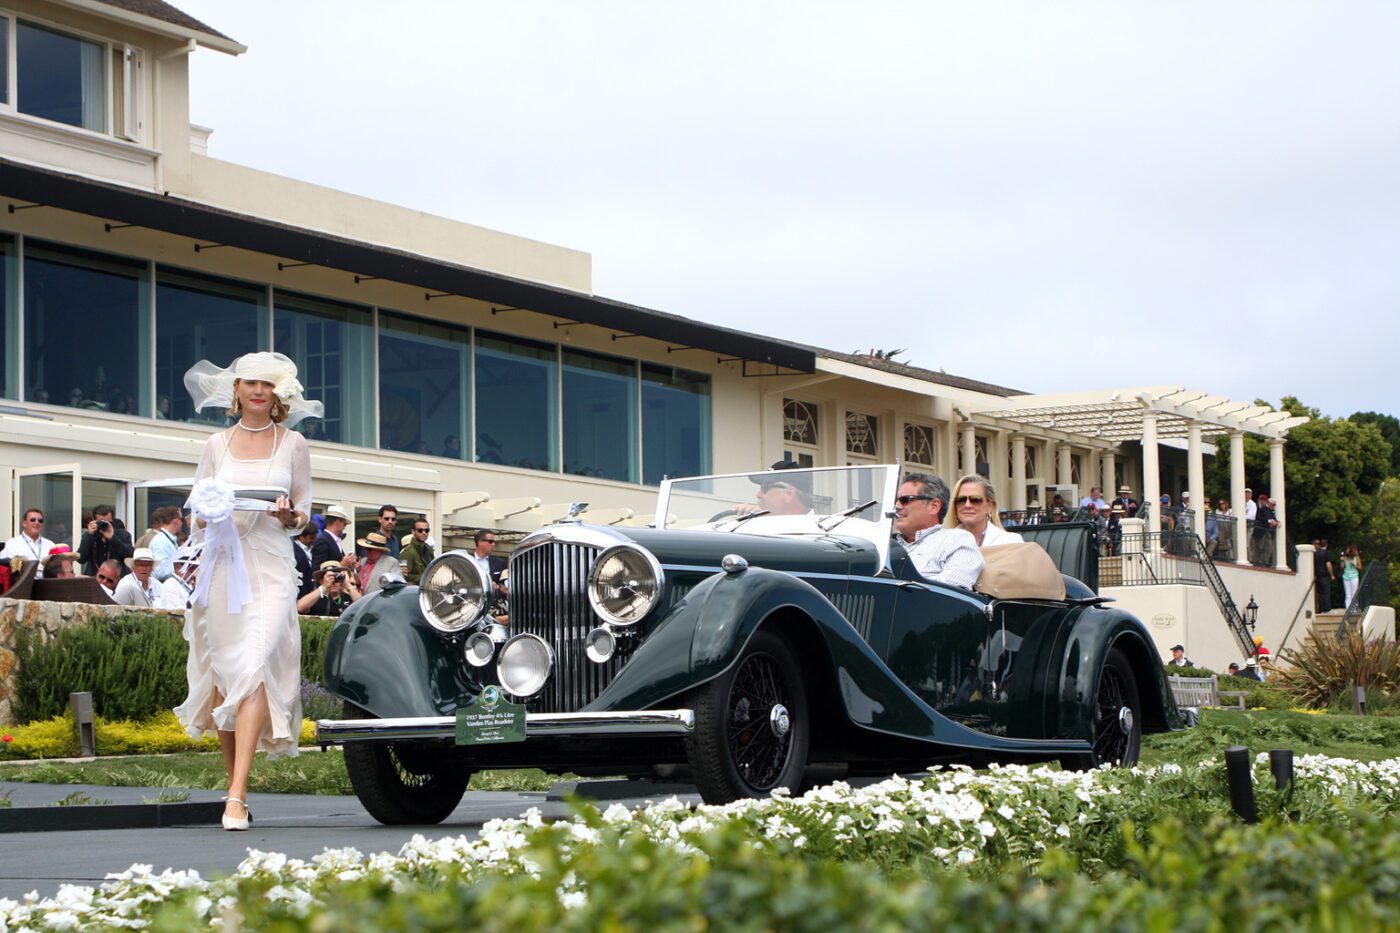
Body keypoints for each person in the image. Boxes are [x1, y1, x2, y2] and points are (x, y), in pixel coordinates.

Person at [173, 350, 320, 832]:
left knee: (255, 662)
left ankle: (236, 795)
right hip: (223, 566)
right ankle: (234, 784)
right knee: (227, 672)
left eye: (267, 384)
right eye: (249, 383)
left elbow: (303, 513)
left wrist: (289, 517)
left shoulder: (293, 443)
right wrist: (206, 512)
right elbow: (194, 511)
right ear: (235, 391)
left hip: (272, 565)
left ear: (278, 395)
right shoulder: (216, 444)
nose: (258, 390)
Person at [893, 472, 983, 588]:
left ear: (934, 506)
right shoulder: (886, 544)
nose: (897, 506)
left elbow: (952, 590)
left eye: (905, 500)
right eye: (896, 500)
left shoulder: (956, 539)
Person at [945, 474, 1023, 548]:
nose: (967, 505)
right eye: (961, 500)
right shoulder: (944, 543)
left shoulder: (1012, 542)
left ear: (989, 506)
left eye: (975, 499)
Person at [77, 504, 133, 577]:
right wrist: (89, 535)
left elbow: (130, 554)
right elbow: (81, 559)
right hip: (94, 579)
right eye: (101, 522)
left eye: (107, 522)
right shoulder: (90, 535)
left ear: (112, 520)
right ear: (94, 521)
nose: (104, 525)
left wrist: (112, 538)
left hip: (116, 580)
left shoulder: (122, 534)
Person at [6, 508, 56, 579]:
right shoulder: (11, 544)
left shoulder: (50, 545)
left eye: (40, 521)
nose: (37, 522)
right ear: (24, 523)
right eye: (32, 520)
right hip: (23, 586)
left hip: (47, 585)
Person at [296, 561, 361, 616]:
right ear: (321, 581)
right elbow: (299, 607)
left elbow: (364, 606)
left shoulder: (348, 597)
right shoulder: (316, 598)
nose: (333, 582)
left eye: (336, 579)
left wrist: (348, 585)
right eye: (329, 578)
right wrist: (324, 587)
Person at [311, 506, 356, 571]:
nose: (345, 527)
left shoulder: (333, 540)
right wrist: (341, 565)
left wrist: (349, 566)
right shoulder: (323, 540)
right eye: (345, 524)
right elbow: (316, 569)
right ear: (337, 522)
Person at [148, 506, 185, 582]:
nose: (182, 523)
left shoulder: (166, 539)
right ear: (175, 520)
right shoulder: (161, 541)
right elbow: (160, 572)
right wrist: (181, 568)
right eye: (182, 520)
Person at [467, 529, 506, 595]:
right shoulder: (467, 561)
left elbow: (506, 586)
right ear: (480, 542)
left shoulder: (500, 563)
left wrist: (497, 586)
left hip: (493, 602)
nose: (493, 544)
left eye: (494, 542)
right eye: (490, 541)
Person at [400, 517, 435, 585]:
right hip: (415, 591)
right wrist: (426, 578)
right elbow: (405, 576)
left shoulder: (429, 550)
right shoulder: (407, 552)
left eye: (426, 530)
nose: (424, 533)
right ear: (413, 531)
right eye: (420, 530)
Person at [292, 525, 319, 598]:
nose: (314, 540)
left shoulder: (313, 549)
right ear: (301, 536)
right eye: (311, 538)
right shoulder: (294, 550)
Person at [1314, 538, 1335, 613]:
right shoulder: (1326, 553)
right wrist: (1332, 575)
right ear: (1326, 545)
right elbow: (1328, 564)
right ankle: (1327, 609)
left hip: (1317, 575)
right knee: (1326, 592)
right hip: (1325, 575)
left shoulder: (1315, 553)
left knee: (1320, 593)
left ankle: (1321, 609)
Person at [1341, 544, 1362, 610]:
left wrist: (1354, 564)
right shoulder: (1345, 557)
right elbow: (1342, 567)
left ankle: (1354, 608)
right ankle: (1348, 608)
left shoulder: (1356, 557)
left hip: (1354, 576)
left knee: (1354, 593)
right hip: (1346, 576)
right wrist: (1342, 561)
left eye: (1347, 549)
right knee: (1348, 594)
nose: (1346, 550)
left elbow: (1360, 567)